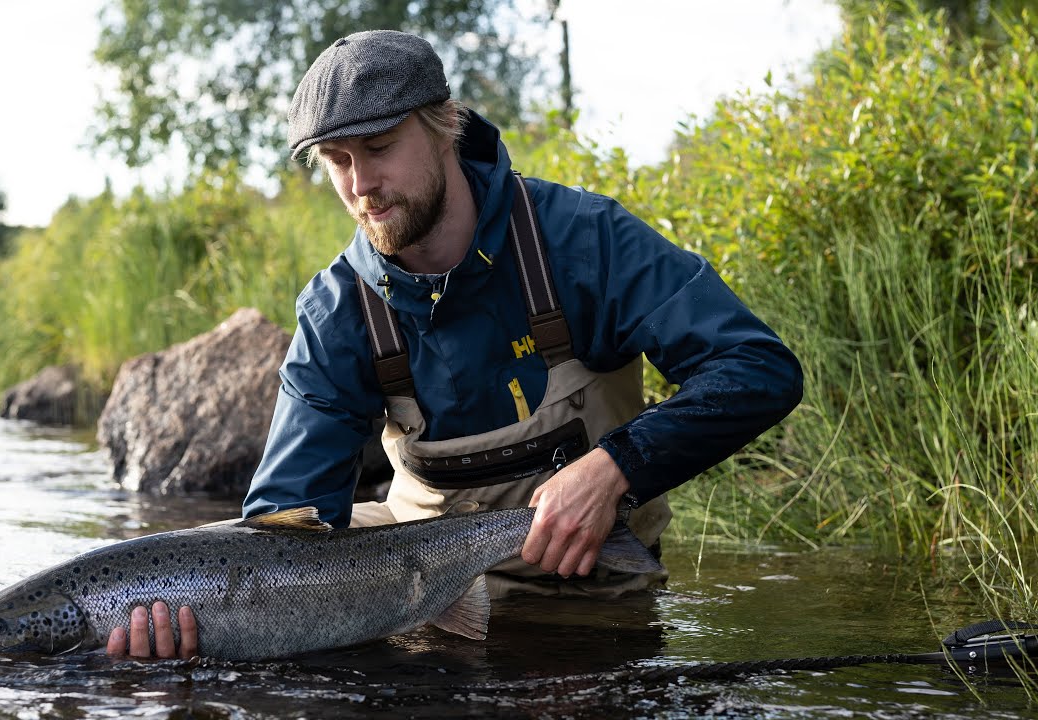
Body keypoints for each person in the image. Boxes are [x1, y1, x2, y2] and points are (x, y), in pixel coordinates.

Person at [106, 29, 803, 659]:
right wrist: (203, 635)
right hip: (406, 598)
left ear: (445, 124)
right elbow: (287, 528)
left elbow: (758, 368)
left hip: (585, 593)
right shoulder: (336, 310)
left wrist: (616, 469)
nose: (360, 187)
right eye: (335, 160)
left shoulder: (583, 240)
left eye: (378, 148)